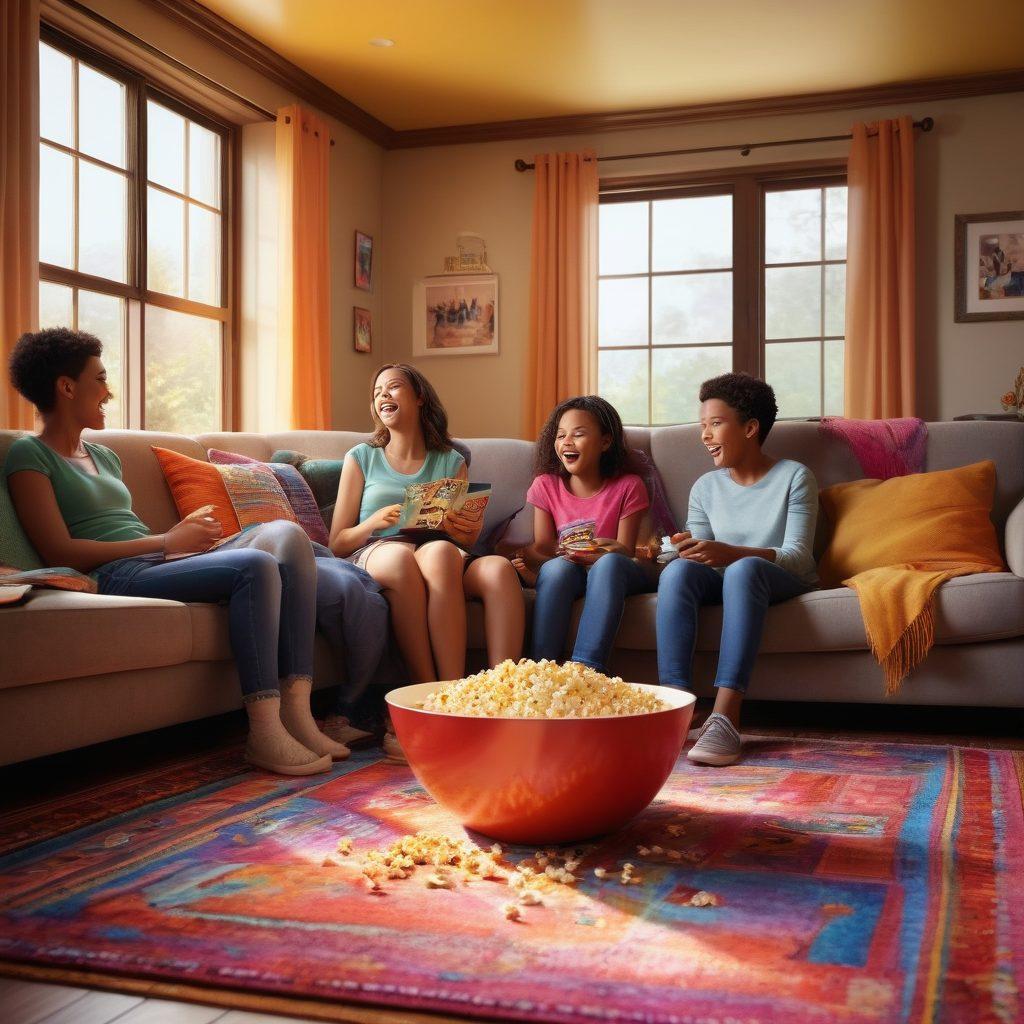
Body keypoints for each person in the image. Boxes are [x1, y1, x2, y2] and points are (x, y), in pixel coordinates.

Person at [5, 328, 345, 776]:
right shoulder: (28, 456)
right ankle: (264, 732)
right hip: (114, 574)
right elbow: (60, 549)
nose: (108, 391)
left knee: (286, 536)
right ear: (66, 387)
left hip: (154, 559)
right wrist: (168, 541)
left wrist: (179, 542)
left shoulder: (104, 456)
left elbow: (127, 527)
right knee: (257, 566)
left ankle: (297, 714)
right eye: (100, 379)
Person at [328, 363, 524, 743]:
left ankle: (503, 700)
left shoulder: (451, 461)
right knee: (405, 559)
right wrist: (374, 522)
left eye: (394, 387)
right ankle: (428, 695)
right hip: (379, 549)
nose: (383, 395)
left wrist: (464, 530)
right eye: (377, 391)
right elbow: (337, 541)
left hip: (438, 552)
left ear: (419, 397)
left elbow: (462, 542)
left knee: (493, 567)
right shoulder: (362, 457)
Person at [652, 372, 818, 766]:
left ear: (750, 428)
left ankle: (726, 715)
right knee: (677, 572)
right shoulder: (705, 487)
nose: (705, 435)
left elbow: (799, 556)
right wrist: (679, 550)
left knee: (744, 569)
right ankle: (675, 706)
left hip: (778, 578)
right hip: (727, 576)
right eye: (702, 425)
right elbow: (702, 556)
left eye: (715, 423)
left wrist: (730, 552)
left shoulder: (796, 476)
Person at [512, 396, 650, 672]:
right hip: (569, 566)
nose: (567, 441)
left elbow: (627, 549)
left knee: (608, 564)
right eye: (561, 435)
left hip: (615, 568)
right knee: (557, 569)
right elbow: (544, 545)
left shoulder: (629, 486)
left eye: (578, 434)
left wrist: (605, 550)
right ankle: (541, 671)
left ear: (605, 442)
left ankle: (586, 671)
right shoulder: (546, 485)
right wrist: (566, 552)